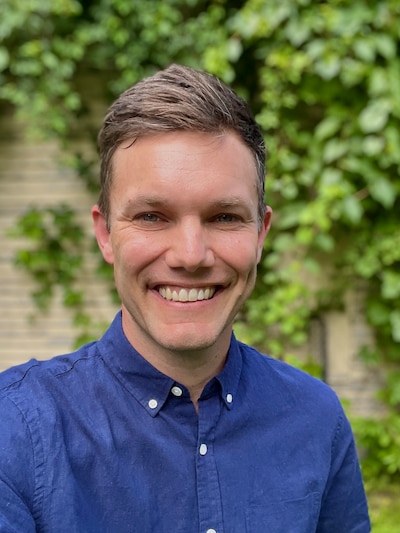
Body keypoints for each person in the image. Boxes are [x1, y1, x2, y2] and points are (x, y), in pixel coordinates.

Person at [0, 64, 370, 532]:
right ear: (105, 234)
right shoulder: (15, 429)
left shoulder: (317, 420)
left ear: (261, 233)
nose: (191, 256)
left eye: (224, 217)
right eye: (153, 216)